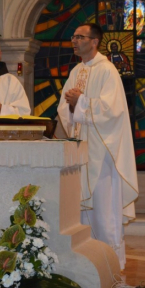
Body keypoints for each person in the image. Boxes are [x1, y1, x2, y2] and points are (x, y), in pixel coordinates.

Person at [57, 23, 138, 270]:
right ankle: (84, 261)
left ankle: (110, 262)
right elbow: (64, 108)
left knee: (103, 210)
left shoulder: (107, 70)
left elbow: (112, 110)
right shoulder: (75, 71)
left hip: (102, 152)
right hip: (81, 151)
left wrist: (80, 101)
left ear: (95, 41)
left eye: (80, 37)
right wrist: (72, 106)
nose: (74, 41)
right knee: (80, 211)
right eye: (73, 36)